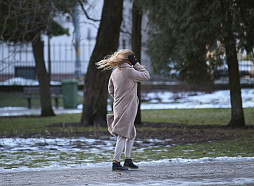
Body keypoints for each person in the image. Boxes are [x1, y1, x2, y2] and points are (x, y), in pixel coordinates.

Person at [96, 49, 150, 171]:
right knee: (122, 135)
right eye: (133, 58)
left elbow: (110, 90)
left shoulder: (115, 72)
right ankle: (116, 162)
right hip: (127, 108)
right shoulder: (130, 71)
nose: (134, 60)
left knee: (131, 134)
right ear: (128, 60)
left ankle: (128, 160)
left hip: (118, 106)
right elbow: (146, 76)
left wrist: (119, 98)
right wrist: (136, 64)